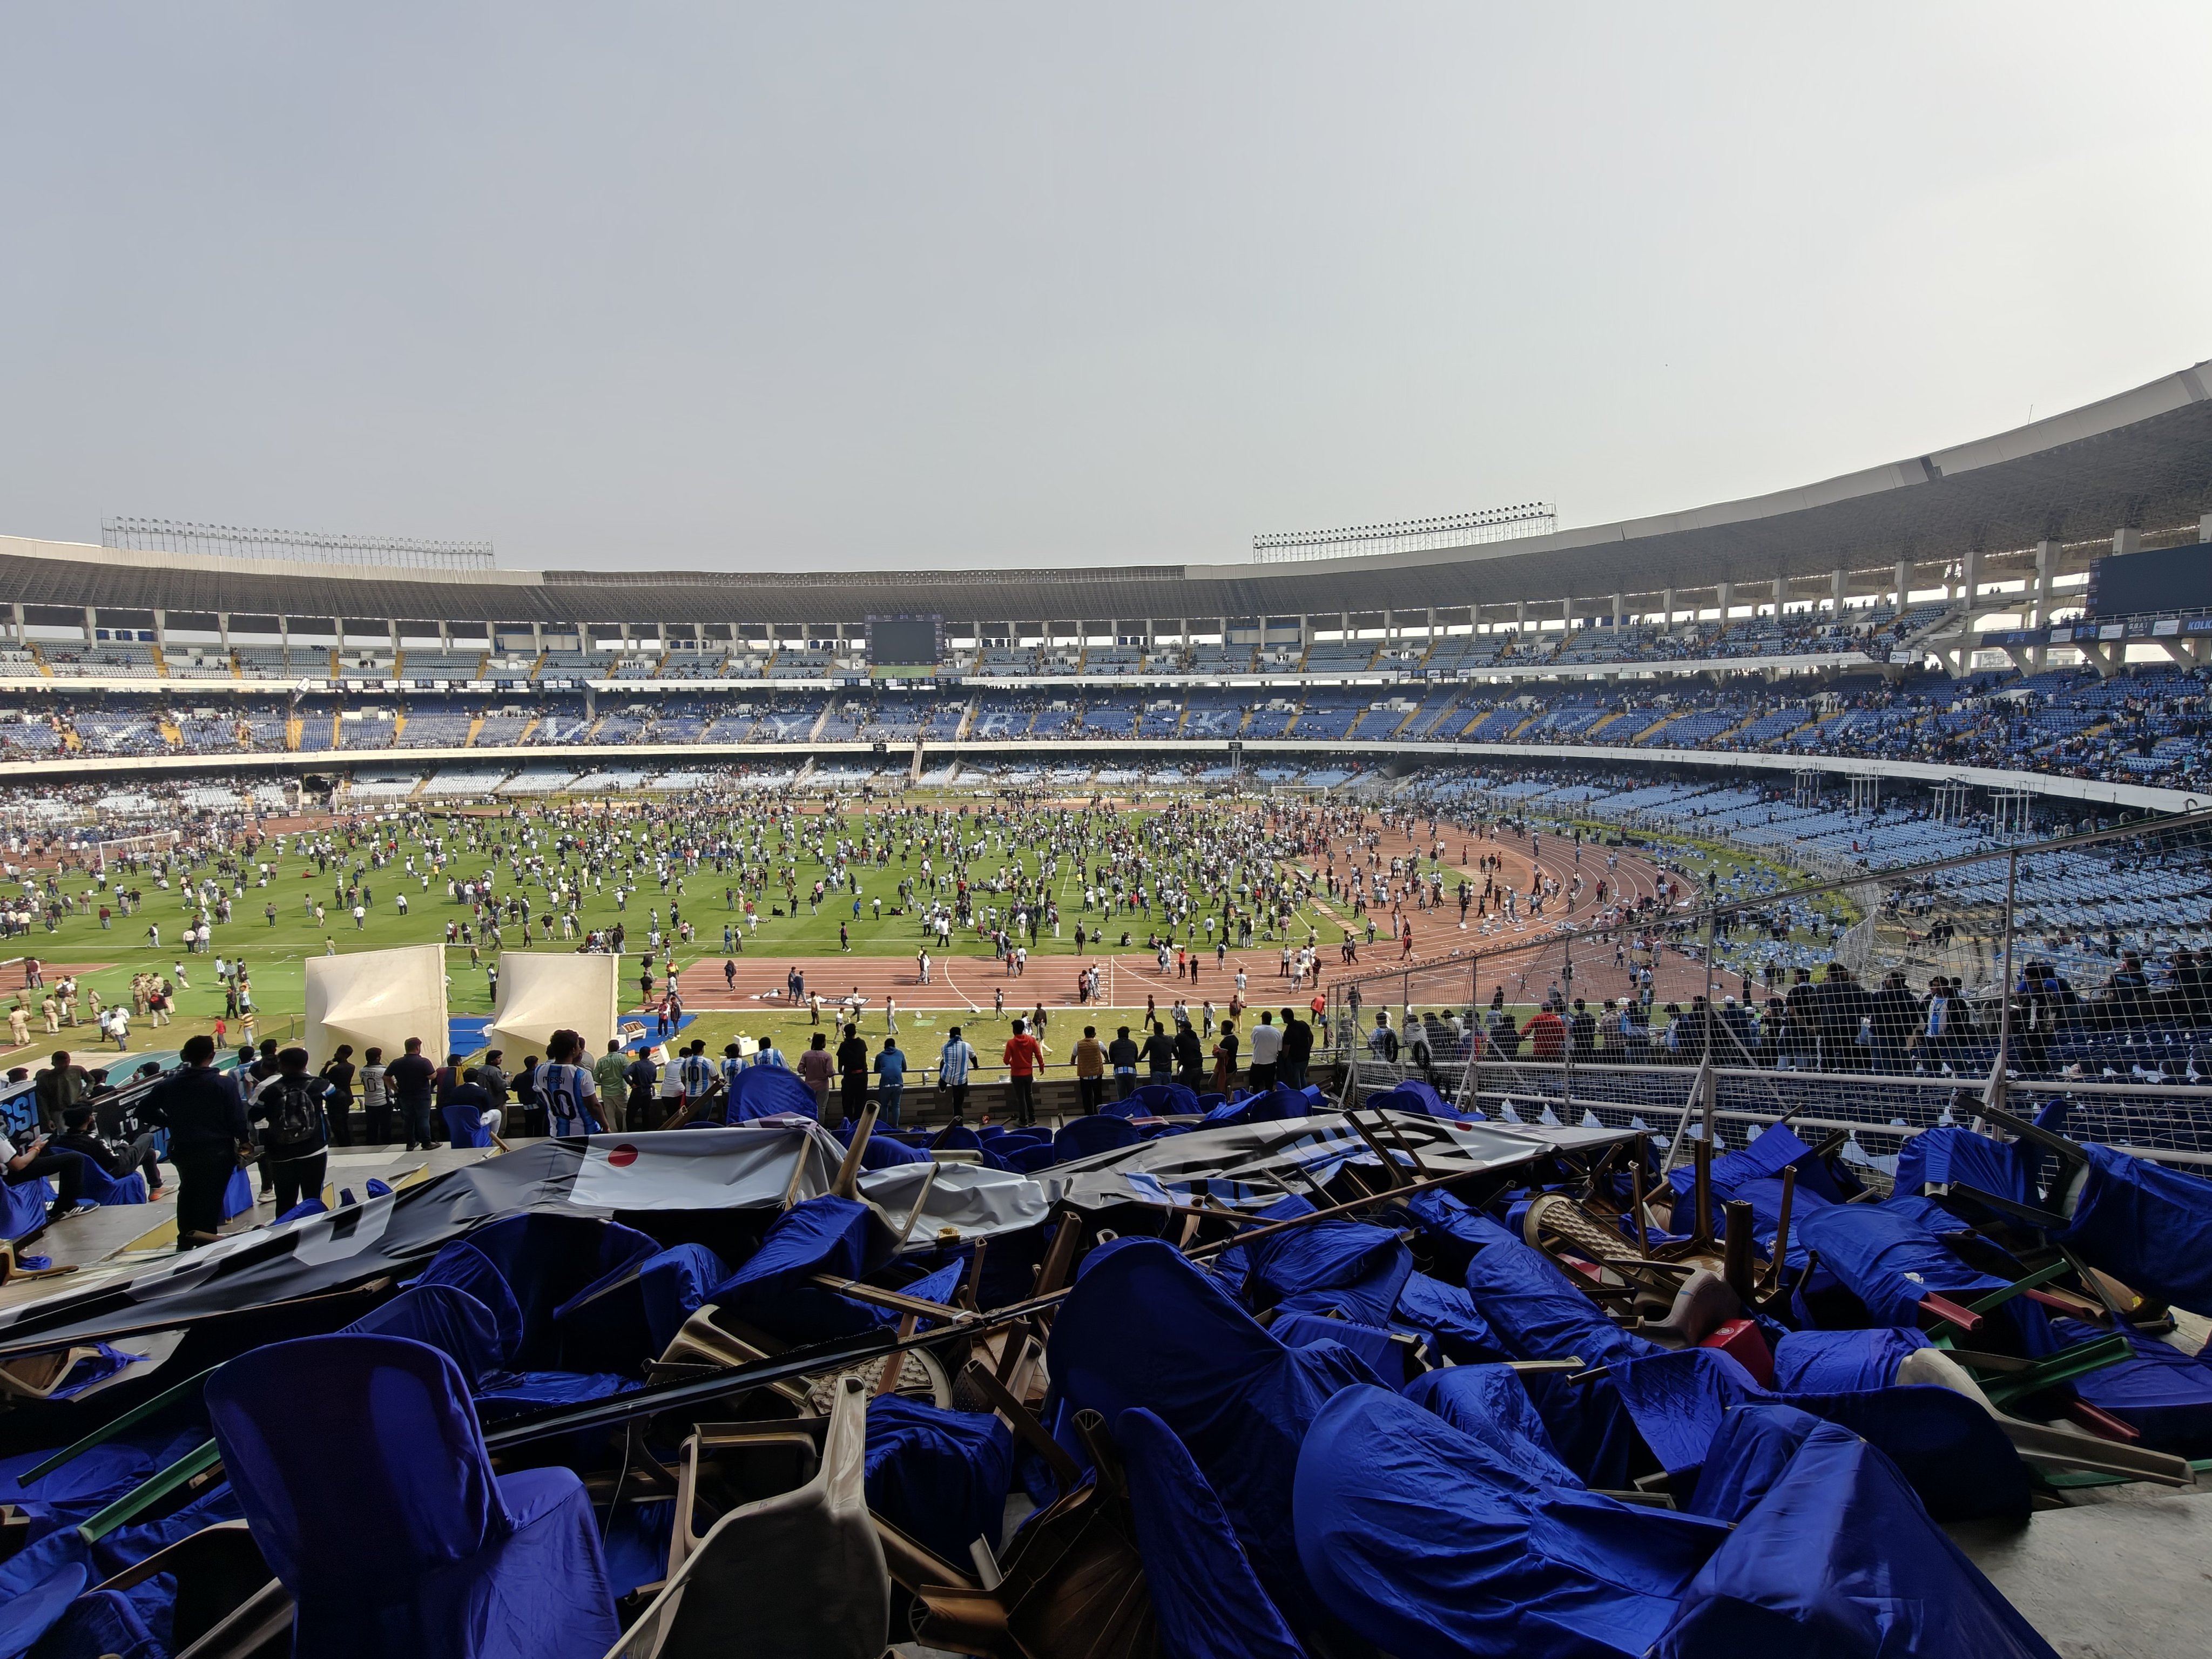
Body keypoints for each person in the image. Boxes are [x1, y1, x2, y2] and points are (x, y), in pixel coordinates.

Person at [139, 1034, 244, 1248]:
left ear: (185, 1056)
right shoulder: (224, 1085)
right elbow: (236, 1118)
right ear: (212, 1056)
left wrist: (170, 1122)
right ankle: (205, 1242)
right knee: (211, 1198)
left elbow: (143, 1110)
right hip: (217, 1151)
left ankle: (186, 1240)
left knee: (188, 1193)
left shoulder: (168, 1085)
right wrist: (244, 1141)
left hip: (184, 1148)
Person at [245, 1047, 331, 1215]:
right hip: (314, 1148)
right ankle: (314, 1232)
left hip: (280, 1152)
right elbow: (340, 1098)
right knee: (313, 1198)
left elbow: (254, 1115)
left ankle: (285, 1236)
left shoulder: (269, 1090)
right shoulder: (320, 1085)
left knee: (285, 1199)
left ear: (282, 1065)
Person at [56, 1103, 161, 1197]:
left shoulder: (60, 1141)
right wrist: (123, 1147)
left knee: (149, 1154)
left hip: (88, 1174)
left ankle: (157, 1187)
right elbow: (114, 1160)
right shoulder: (93, 1140)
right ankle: (155, 1184)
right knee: (147, 1137)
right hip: (114, 1170)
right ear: (89, 1119)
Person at [536, 1028, 607, 1135]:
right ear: (573, 1050)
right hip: (585, 1132)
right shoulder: (582, 1074)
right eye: (579, 1045)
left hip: (556, 1132)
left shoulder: (540, 1071)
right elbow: (594, 1106)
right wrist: (606, 1126)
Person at [386, 1036, 437, 1151]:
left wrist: (395, 1089)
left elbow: (386, 1077)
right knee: (423, 1119)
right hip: (422, 1096)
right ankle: (426, 1142)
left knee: (408, 1120)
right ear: (418, 1047)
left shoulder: (397, 1063)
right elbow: (432, 1076)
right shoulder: (423, 1062)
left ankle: (410, 1143)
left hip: (404, 1095)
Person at [32, 1050, 89, 1134]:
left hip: (77, 1107)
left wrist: (86, 1094)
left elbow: (91, 1081)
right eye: (61, 1064)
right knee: (65, 1133)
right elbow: (43, 1100)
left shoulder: (77, 1070)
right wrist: (48, 1118)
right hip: (59, 1111)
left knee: (83, 1130)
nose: (64, 1066)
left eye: (66, 1063)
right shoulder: (44, 1078)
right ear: (54, 1063)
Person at [1002, 1018, 1044, 1127]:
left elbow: (1006, 1061)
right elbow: (1038, 1054)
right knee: (1029, 1095)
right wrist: (1041, 1066)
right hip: (1028, 1074)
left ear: (1014, 1030)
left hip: (1017, 1075)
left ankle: (1023, 1121)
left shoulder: (1011, 1043)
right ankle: (1032, 1118)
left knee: (1021, 1098)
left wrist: (1012, 1063)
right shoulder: (1031, 1040)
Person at [937, 1026, 977, 1123]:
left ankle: (942, 1086)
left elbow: (945, 1058)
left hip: (946, 1077)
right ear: (960, 1035)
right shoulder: (967, 1046)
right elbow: (974, 1058)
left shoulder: (944, 1047)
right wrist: (976, 1066)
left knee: (943, 1063)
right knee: (958, 1105)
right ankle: (959, 1126)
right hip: (961, 1081)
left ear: (950, 1036)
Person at [319, 1044, 356, 1147]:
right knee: (345, 1122)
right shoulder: (351, 1067)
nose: (335, 1054)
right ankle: (348, 1143)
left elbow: (323, 1079)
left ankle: (343, 1144)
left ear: (343, 1054)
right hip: (347, 1097)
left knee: (337, 1125)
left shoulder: (336, 1069)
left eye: (338, 1052)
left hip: (335, 1098)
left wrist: (326, 1067)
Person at [835, 1022, 871, 1126]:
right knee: (860, 1102)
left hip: (849, 1077)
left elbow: (840, 1063)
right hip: (862, 1077)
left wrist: (841, 1071)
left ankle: (848, 1125)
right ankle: (858, 1125)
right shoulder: (861, 1043)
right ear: (855, 1032)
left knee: (847, 1103)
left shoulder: (844, 1045)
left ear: (845, 1034)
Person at [798, 1031, 835, 1124]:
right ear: (823, 1043)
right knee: (821, 1108)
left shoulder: (806, 1055)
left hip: (809, 1085)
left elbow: (800, 1069)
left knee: (809, 1107)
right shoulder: (827, 1056)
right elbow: (830, 1072)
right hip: (823, 1086)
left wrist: (807, 1073)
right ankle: (820, 1127)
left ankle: (809, 1126)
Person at [874, 1036, 907, 1128]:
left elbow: (876, 1069)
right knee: (896, 1106)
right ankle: (895, 1127)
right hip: (898, 1083)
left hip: (885, 1084)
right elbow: (905, 1068)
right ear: (895, 1046)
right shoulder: (900, 1053)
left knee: (884, 1106)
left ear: (885, 1047)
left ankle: (884, 1127)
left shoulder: (880, 1056)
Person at [1072, 1024, 1106, 1114]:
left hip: (1084, 1076)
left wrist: (1072, 1062)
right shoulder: (1099, 1043)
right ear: (1093, 1034)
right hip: (1097, 1075)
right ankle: (1098, 1113)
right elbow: (1105, 1052)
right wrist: (1107, 1060)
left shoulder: (1078, 1044)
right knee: (1098, 1096)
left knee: (1086, 1097)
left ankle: (1089, 1115)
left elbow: (1073, 1057)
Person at [359, 1047, 390, 1144]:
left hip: (369, 1103)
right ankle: (386, 1144)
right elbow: (389, 1085)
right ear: (378, 1058)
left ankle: (371, 1145)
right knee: (386, 1127)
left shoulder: (362, 1071)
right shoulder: (383, 1071)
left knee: (371, 1128)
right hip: (382, 1102)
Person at [1246, 1010, 1280, 1092]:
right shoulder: (1277, 1032)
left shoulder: (1256, 1029)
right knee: (1269, 1088)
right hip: (1271, 1065)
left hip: (1257, 1063)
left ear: (1262, 1020)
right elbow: (1280, 1049)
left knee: (1254, 1088)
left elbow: (1253, 1041)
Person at [1279, 1007, 1313, 1091]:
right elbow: (1311, 1036)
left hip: (1295, 1060)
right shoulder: (1303, 1024)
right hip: (1305, 1057)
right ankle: (1305, 1095)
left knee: (1296, 1082)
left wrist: (1283, 1058)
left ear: (1285, 1018)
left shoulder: (1288, 1032)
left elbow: (1286, 1051)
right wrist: (1309, 1048)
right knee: (1302, 1077)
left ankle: (1299, 1097)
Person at [1107, 1024, 1139, 1100]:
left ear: (1118, 1034)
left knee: (1121, 1096)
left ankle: (1123, 1110)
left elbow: (1111, 1058)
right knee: (1131, 1095)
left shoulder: (1113, 1044)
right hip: (1131, 1071)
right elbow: (1136, 1057)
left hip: (1119, 1071)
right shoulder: (1133, 1044)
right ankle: (1131, 1110)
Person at [1211, 1019, 1240, 1095]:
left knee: (1213, 1084)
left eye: (1222, 1027)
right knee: (1228, 1088)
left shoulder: (1226, 1041)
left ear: (1225, 1028)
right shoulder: (1235, 1039)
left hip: (1226, 1069)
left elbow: (1218, 1053)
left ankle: (1220, 1101)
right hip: (1233, 1068)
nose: (1221, 1029)